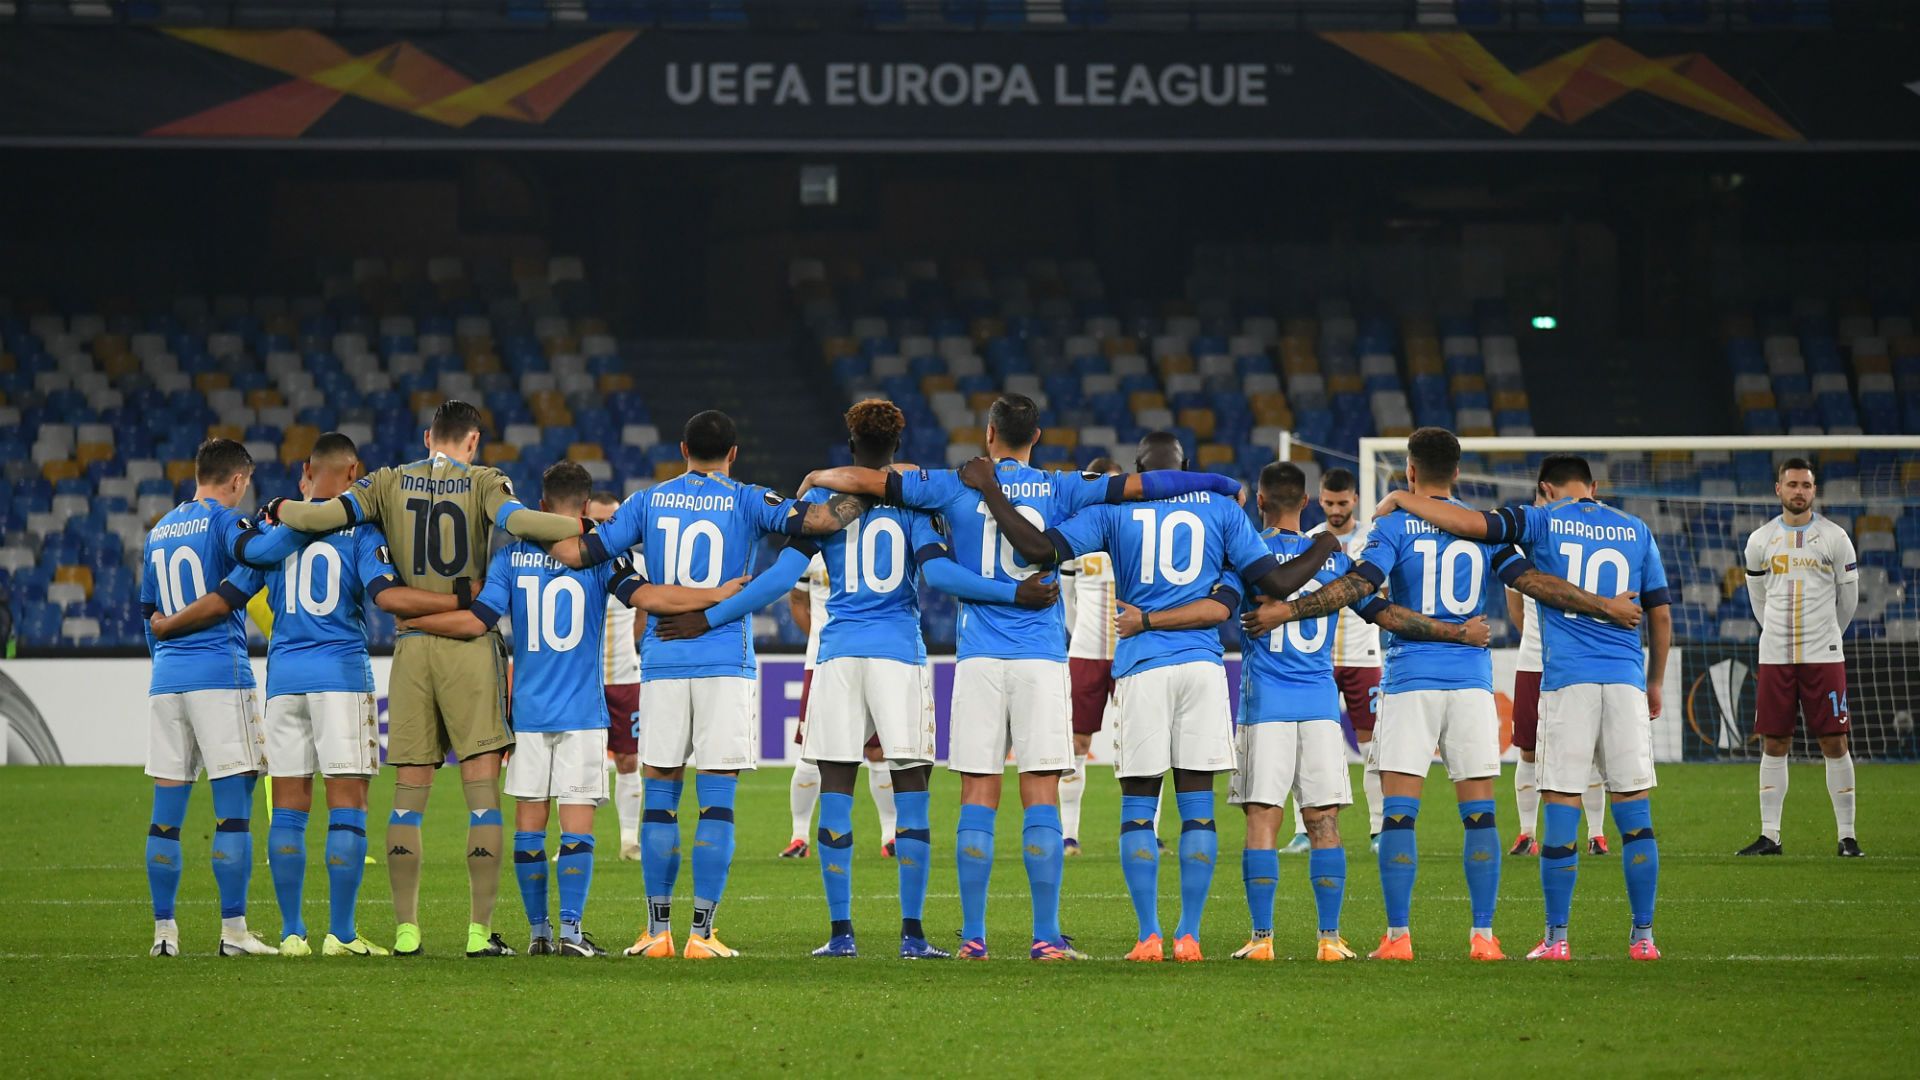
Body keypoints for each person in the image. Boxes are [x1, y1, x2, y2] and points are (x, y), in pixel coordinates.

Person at [804, 394, 1244, 961]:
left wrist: (818, 475)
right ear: (1036, 436)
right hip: (1040, 656)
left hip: (978, 658)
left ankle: (973, 937)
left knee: (977, 794)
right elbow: (1145, 486)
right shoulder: (1064, 486)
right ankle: (1045, 936)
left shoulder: (953, 484)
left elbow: (872, 480)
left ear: (989, 434)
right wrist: (1219, 482)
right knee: (1040, 793)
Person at [661, 399, 1054, 959]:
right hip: (898, 656)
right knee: (911, 795)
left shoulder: (823, 507)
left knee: (837, 792)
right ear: (896, 448)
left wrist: (710, 616)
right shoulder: (913, 504)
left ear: (850, 446)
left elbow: (778, 580)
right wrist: (1013, 591)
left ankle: (841, 934)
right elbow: (941, 574)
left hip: (838, 656)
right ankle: (913, 935)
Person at [962, 434, 1368, 962]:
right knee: (1197, 808)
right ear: (1186, 467)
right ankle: (1189, 936)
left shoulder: (1113, 511)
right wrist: (1323, 544)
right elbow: (1272, 580)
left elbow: (1036, 550)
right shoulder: (1222, 510)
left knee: (1138, 808)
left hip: (1142, 666)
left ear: (1139, 471)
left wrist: (992, 492)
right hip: (1201, 667)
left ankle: (1149, 935)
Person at [1270, 429, 1641, 962]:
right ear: (1458, 473)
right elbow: (1534, 583)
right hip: (1470, 684)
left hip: (1410, 681)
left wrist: (1291, 610)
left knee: (1399, 815)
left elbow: (1359, 589)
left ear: (1410, 472)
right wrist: (1605, 605)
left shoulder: (1392, 525)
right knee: (1480, 815)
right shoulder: (1482, 527)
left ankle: (1398, 937)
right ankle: (1483, 936)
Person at [263, 400, 591, 958]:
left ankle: (406, 931)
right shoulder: (485, 481)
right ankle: (478, 934)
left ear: (427, 437)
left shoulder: (386, 482)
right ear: (473, 442)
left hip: (412, 648)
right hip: (469, 649)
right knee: (482, 798)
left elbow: (318, 517)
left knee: (407, 800)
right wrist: (583, 525)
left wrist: (278, 505)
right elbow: (521, 523)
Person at [545, 409, 873, 960]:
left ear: (682, 450)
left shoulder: (646, 502)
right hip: (725, 662)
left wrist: (528, 526)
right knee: (716, 800)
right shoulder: (748, 498)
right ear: (734, 454)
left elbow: (587, 552)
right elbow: (821, 521)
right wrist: (867, 486)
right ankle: (702, 934)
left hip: (662, 661)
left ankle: (656, 932)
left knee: (660, 796)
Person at [404, 462, 742, 957]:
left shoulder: (510, 557)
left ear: (541, 506)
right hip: (583, 713)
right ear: (585, 508)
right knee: (577, 829)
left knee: (529, 828)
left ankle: (538, 933)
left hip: (528, 714)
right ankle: (570, 932)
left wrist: (416, 621)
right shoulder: (602, 559)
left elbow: (477, 622)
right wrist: (717, 593)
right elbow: (649, 597)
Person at [159, 434, 462, 957]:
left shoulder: (274, 532)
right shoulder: (361, 530)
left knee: (288, 810)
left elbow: (228, 596)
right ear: (354, 474)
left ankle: (293, 933)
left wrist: (168, 624)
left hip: (284, 681)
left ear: (306, 471)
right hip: (340, 677)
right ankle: (340, 934)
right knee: (348, 806)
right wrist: (459, 598)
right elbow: (387, 596)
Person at [1378, 451, 1670, 961]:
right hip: (1624, 679)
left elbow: (1469, 524)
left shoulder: (1540, 520)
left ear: (1546, 489)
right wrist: (1656, 682)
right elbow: (1660, 613)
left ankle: (1556, 939)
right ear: (1593, 487)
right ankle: (1643, 938)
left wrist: (1403, 497)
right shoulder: (1636, 529)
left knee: (1559, 804)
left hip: (1565, 680)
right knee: (1634, 811)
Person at [1225, 463, 1492, 962]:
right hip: (1320, 707)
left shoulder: (1247, 553)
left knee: (1262, 820)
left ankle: (1262, 940)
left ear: (1260, 502)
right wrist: (1456, 632)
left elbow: (1221, 606)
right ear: (1307, 502)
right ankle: (1329, 938)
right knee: (1324, 822)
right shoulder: (1332, 560)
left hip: (1264, 705)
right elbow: (1381, 612)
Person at [138, 438, 275, 957]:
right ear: (238, 480)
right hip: (220, 675)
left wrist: (165, 659)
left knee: (165, 814)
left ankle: (164, 933)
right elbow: (249, 568)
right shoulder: (226, 522)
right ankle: (234, 932)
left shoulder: (159, 530)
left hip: (167, 681)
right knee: (233, 812)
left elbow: (148, 612)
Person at [1738, 457, 1863, 858]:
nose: (1798, 491)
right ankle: (1770, 836)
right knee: (1774, 740)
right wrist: (1776, 633)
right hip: (1775, 654)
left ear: (1814, 490)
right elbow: (1758, 600)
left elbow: (1849, 600)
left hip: (1823, 655)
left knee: (1834, 740)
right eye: (1792, 484)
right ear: (1778, 489)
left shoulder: (1835, 537)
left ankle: (1847, 836)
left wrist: (1826, 635)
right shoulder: (1760, 541)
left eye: (1805, 485)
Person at [1508, 494, 1612, 859]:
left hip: (1578, 663)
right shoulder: (1521, 547)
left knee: (1589, 749)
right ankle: (1526, 834)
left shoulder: (1586, 541)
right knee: (1528, 748)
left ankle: (1597, 834)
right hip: (1533, 662)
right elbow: (1516, 608)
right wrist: (1539, 642)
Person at [780, 553, 902, 861]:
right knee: (812, 751)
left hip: (874, 659)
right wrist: (823, 641)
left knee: (878, 751)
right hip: (822, 662)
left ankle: (890, 836)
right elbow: (797, 601)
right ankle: (799, 837)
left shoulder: (876, 543)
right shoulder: (812, 547)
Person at [1305, 468, 1383, 852]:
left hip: (1363, 655)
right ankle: (1304, 832)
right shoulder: (1309, 541)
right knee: (1309, 745)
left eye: (1342, 502)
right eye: (1329, 502)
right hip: (1317, 657)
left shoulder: (1373, 539)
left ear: (1355, 499)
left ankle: (1379, 829)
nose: (1336, 510)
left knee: (1371, 745)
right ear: (1320, 500)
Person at [1059, 457, 1123, 858]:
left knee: (1139, 744)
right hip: (1085, 652)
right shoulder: (1076, 535)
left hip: (1131, 652)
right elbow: (1067, 602)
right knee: (1077, 742)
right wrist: (1081, 633)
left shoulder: (1136, 529)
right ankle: (1069, 836)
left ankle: (1146, 833)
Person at [587, 491, 646, 862]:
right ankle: (573, 841)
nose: (606, 527)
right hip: (584, 680)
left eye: (612, 520)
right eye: (598, 521)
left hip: (625, 676)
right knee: (579, 763)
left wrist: (632, 644)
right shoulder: (574, 560)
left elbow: (644, 609)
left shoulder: (638, 563)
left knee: (628, 759)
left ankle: (629, 842)